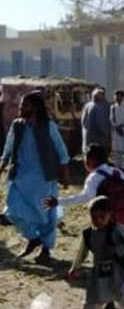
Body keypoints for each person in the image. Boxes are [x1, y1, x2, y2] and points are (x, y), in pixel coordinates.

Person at [0, 91, 70, 262]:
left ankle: (46, 249)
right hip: (19, 177)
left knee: (46, 215)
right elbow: (8, 149)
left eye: (25, 105)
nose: (20, 108)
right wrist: (2, 166)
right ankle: (33, 237)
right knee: (12, 211)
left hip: (43, 179)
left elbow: (61, 151)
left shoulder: (48, 126)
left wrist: (65, 174)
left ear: (36, 108)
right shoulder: (17, 125)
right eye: (21, 105)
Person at [44, 143, 124, 230]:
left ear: (91, 160)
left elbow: (84, 197)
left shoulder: (94, 177)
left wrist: (59, 201)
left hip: (108, 218)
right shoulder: (117, 171)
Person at [82, 88, 111, 152]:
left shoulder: (106, 106)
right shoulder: (92, 106)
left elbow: (83, 121)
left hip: (96, 136)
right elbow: (84, 121)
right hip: (95, 136)